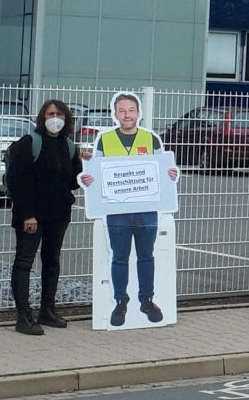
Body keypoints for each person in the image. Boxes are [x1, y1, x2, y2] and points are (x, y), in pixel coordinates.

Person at [80, 92, 176, 326]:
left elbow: (160, 172)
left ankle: (146, 300)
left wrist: (170, 175)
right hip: (116, 211)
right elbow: (97, 174)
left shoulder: (150, 139)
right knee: (120, 257)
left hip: (146, 210)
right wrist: (89, 180)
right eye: (122, 110)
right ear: (115, 114)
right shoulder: (104, 140)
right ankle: (120, 302)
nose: (126, 115)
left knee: (146, 256)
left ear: (138, 113)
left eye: (131, 110)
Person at [4, 101, 83, 335]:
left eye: (59, 114)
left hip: (58, 214)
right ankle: (23, 317)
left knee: (52, 261)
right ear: (42, 117)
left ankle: (47, 310)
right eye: (50, 114)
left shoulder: (68, 147)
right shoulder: (29, 144)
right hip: (32, 216)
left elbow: (72, 181)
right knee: (24, 262)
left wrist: (86, 165)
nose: (55, 118)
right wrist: (28, 214)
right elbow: (19, 182)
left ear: (66, 118)